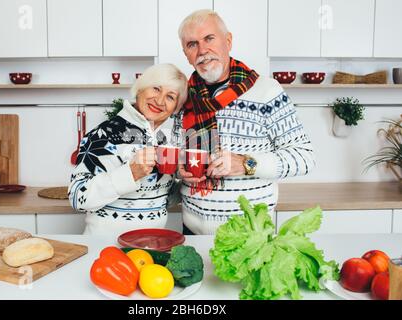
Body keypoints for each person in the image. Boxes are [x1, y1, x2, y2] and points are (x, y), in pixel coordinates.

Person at [172, 10, 315, 235]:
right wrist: (178, 168)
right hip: (192, 232)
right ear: (186, 54)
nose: (202, 50)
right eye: (192, 44)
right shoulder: (180, 96)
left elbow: (304, 157)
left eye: (209, 38)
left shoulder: (267, 91)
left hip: (251, 235)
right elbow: (171, 153)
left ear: (228, 41)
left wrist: (247, 164)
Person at [68, 63, 187, 235]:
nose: (160, 100)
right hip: (106, 246)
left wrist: (184, 181)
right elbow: (77, 197)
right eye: (155, 89)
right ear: (140, 89)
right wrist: (130, 174)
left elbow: (162, 199)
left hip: (151, 247)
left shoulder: (166, 141)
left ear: (175, 108)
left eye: (170, 97)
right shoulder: (103, 134)